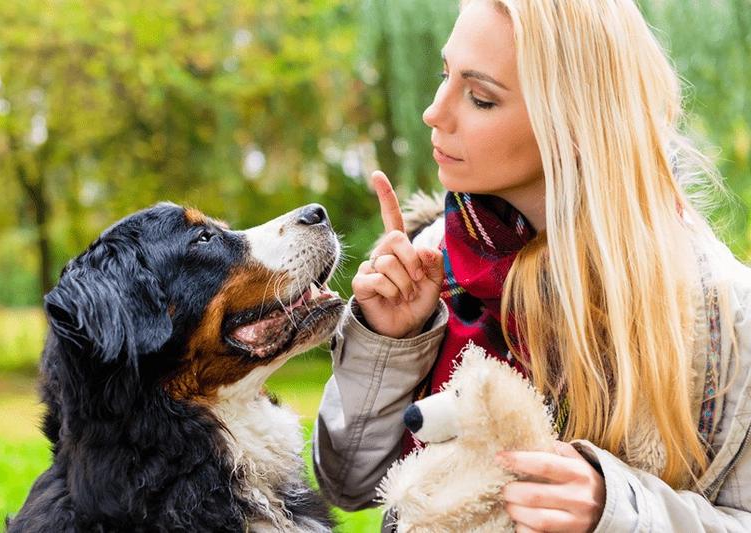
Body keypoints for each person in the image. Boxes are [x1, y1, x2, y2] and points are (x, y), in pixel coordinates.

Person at [312, 0, 751, 531]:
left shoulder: (721, 314)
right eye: (443, 75)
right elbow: (350, 486)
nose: (434, 112)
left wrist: (615, 510)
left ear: (571, 124)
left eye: (479, 97)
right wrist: (388, 343)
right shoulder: (431, 260)